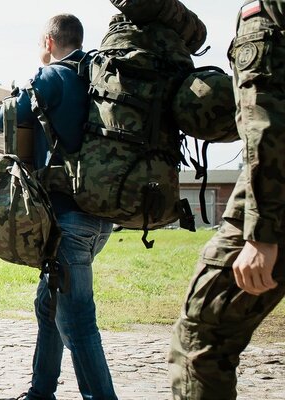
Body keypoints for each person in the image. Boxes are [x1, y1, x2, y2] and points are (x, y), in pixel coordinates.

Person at [0, 15, 117, 399]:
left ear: (49, 42)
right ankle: (40, 391)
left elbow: (16, 108)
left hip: (68, 220)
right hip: (98, 216)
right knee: (47, 305)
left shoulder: (55, 76)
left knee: (78, 322)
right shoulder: (96, 78)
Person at [169, 2, 285, 399]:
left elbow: (265, 125)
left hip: (276, 200)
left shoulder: (266, 11)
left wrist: (261, 236)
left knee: (200, 340)